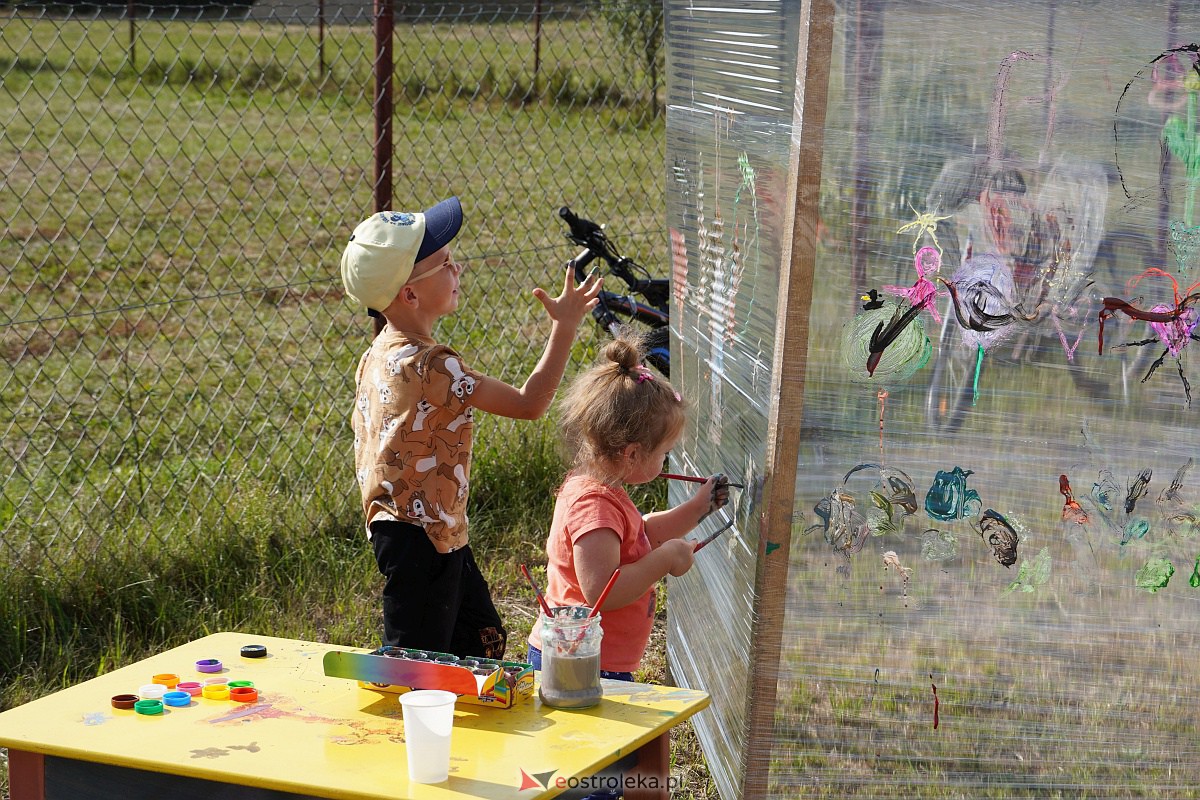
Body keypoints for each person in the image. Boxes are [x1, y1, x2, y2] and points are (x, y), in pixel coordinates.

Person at [340, 197, 602, 659]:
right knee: (417, 664)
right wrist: (564, 327)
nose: (457, 269)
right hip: (419, 535)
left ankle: (455, 714)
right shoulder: (433, 364)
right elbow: (528, 404)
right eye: (444, 264)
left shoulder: (377, 352)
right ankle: (399, 723)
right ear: (410, 294)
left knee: (480, 639)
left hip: (426, 530)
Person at [527, 331, 730, 680]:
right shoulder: (594, 507)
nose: (667, 461)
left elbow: (641, 535)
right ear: (633, 452)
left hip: (596, 658)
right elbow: (603, 591)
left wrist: (698, 508)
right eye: (664, 453)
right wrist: (665, 560)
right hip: (580, 662)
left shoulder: (604, 488)